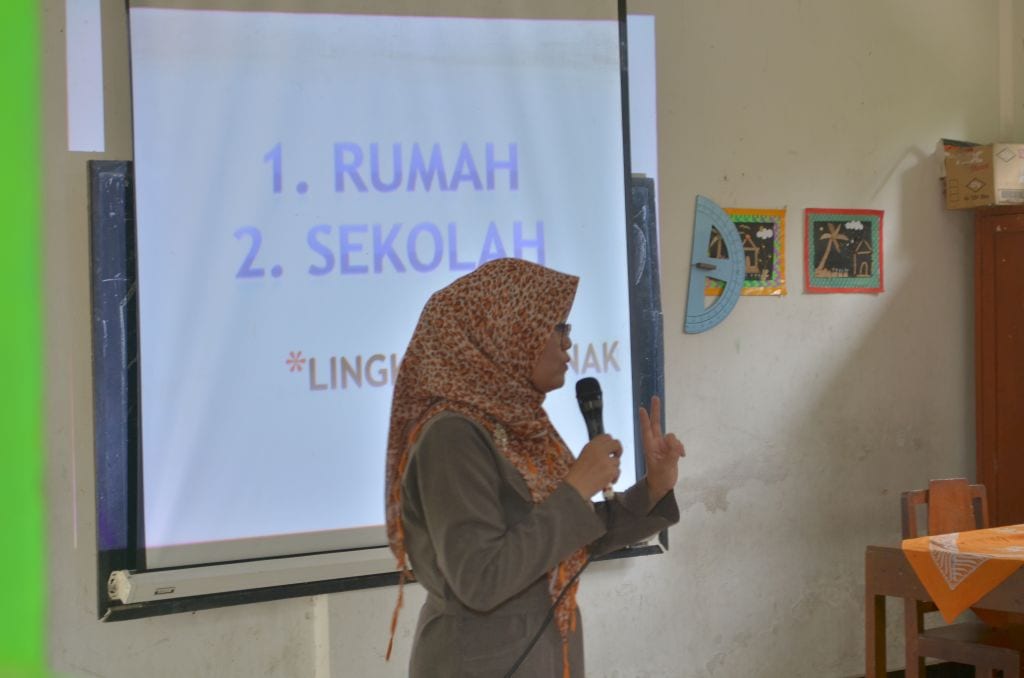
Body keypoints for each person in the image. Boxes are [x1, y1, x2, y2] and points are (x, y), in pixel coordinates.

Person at [384, 258, 684, 677]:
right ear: (506, 329)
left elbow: (568, 537)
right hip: (478, 662)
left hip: (540, 655)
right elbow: (480, 578)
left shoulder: (516, 425)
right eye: (558, 329)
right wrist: (576, 489)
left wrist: (653, 486)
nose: (568, 346)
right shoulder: (450, 436)